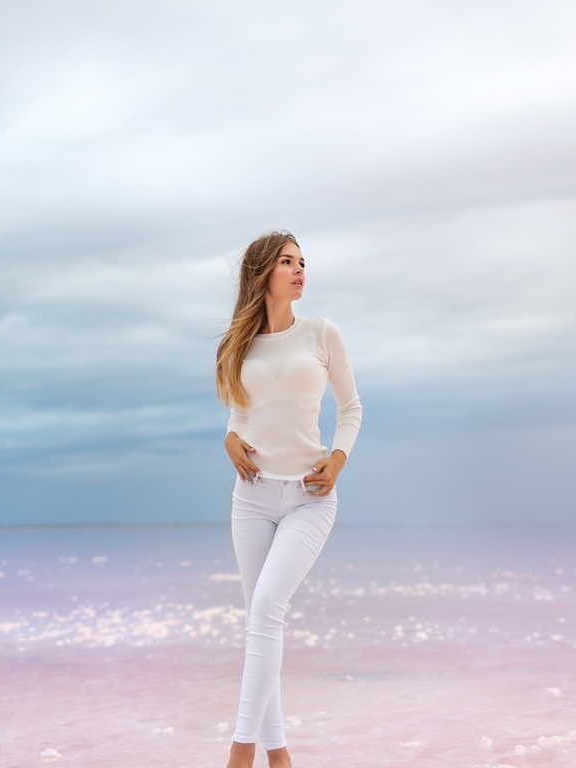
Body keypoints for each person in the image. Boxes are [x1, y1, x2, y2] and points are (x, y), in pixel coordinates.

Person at [215, 231, 363, 768]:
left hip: (309, 497)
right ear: (262, 272)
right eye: (287, 261)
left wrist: (339, 459)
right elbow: (240, 416)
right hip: (251, 498)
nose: (300, 270)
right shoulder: (240, 346)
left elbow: (351, 408)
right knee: (260, 619)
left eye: (303, 262)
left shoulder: (322, 334)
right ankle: (280, 758)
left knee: (267, 609)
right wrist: (230, 439)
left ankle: (240, 753)